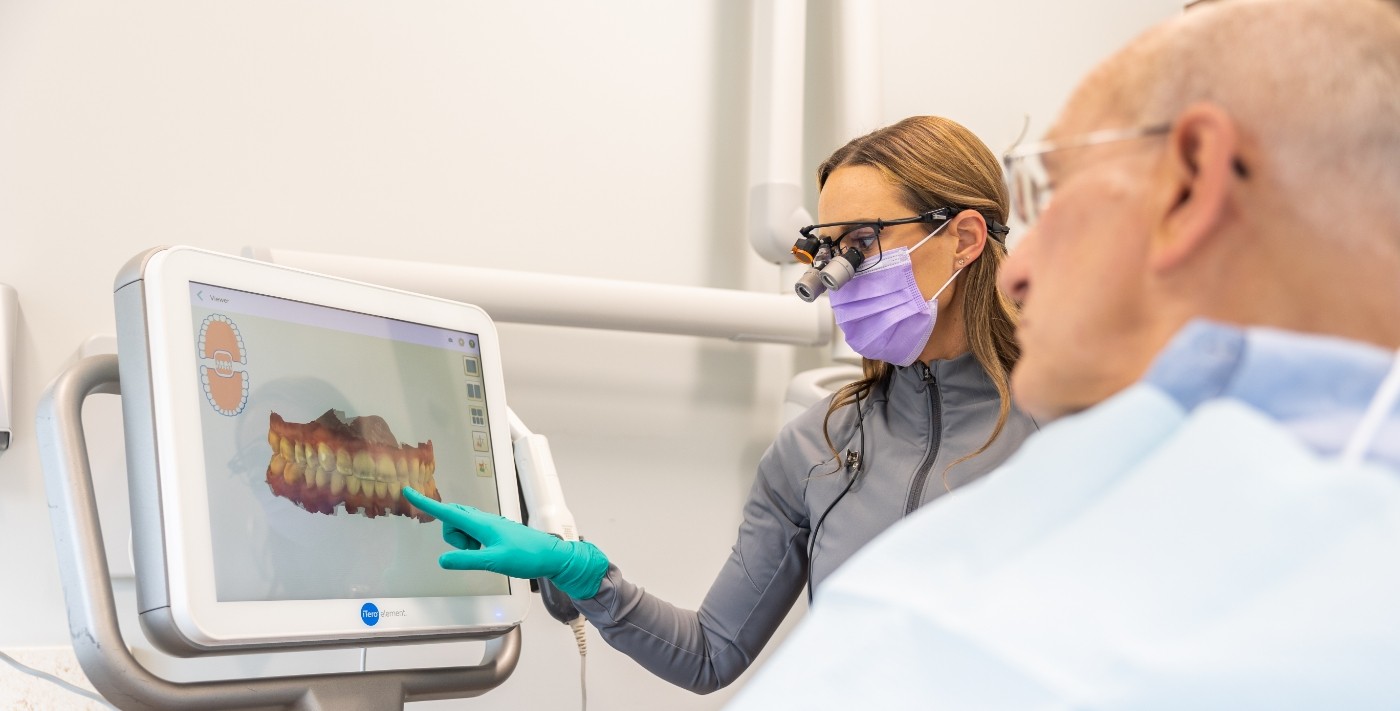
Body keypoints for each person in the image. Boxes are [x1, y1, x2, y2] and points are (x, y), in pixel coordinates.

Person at [726, 0, 1400, 707]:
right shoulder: (830, 443)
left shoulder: (961, 623)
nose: (1019, 269)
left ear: (1193, 180)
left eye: (1054, 191)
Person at [401, 115, 1039, 692]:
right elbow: (711, 653)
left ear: (964, 238)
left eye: (863, 243)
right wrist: (583, 575)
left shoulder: (1073, 422)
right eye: (828, 248)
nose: (839, 274)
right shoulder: (818, 444)